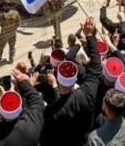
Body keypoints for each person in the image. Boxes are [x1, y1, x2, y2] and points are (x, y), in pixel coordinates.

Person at [41, 17, 101, 146]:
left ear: (58, 79)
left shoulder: (51, 111)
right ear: (75, 78)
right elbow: (96, 67)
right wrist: (90, 35)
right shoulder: (87, 92)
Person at [0, 68, 45, 146]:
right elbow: (37, 102)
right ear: (20, 108)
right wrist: (25, 83)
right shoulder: (31, 124)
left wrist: (3, 95)